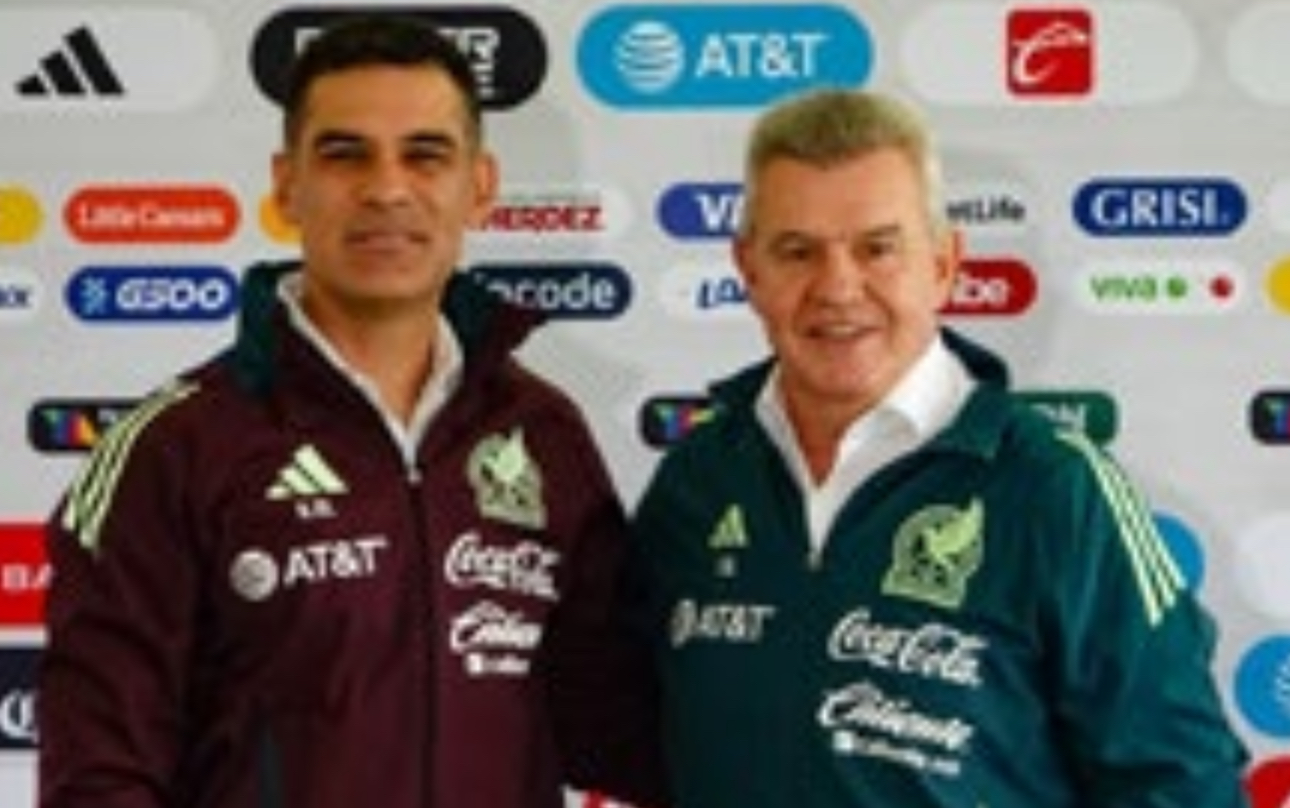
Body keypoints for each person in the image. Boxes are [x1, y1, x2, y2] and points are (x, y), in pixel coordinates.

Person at [37, 16, 667, 808]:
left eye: (425, 155)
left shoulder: (543, 433)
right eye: (345, 155)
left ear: (479, 187)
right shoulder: (172, 448)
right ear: (286, 185)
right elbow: (98, 775)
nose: (386, 189)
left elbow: (629, 730)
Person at [629, 87, 1251, 808]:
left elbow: (1184, 783)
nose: (837, 287)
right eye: (797, 251)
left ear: (945, 263)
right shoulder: (699, 479)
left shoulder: (1054, 489)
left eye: (878, 248)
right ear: (749, 269)